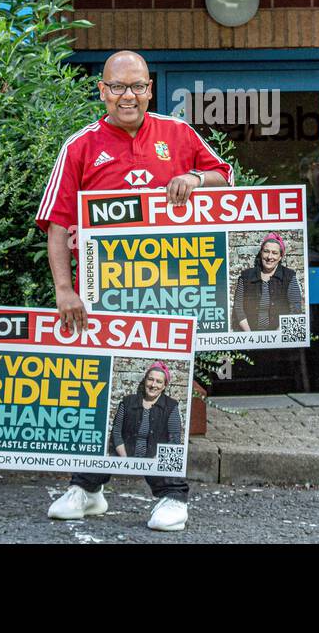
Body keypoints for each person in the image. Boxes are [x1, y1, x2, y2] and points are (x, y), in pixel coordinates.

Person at [37, 49, 232, 532]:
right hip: (100, 295)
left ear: (151, 89)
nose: (129, 96)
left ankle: (172, 497)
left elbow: (223, 175)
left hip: (166, 292)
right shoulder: (80, 146)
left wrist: (192, 176)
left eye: (138, 86)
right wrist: (65, 290)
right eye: (118, 87)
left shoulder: (178, 134)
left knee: (159, 388)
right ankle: (88, 488)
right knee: (100, 386)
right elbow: (58, 225)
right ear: (102, 90)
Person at [105, 362, 186, 529]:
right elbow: (116, 432)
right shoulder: (127, 402)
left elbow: (174, 439)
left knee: (171, 467)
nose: (153, 385)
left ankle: (175, 502)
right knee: (95, 458)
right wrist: (126, 460)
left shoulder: (171, 407)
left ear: (164, 386)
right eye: (150, 379)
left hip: (154, 459)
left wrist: (156, 461)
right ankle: (85, 491)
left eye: (158, 382)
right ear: (145, 380)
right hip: (125, 455)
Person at [231, 232, 304, 332]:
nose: (270, 257)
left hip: (279, 339)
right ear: (261, 253)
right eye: (266, 251)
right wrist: (250, 336)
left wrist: (275, 337)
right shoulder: (246, 277)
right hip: (250, 337)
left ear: (280, 257)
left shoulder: (289, 277)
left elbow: (295, 310)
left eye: (275, 253)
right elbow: (238, 307)